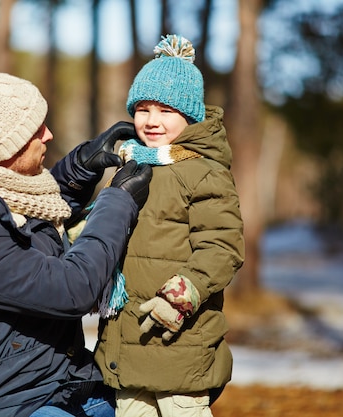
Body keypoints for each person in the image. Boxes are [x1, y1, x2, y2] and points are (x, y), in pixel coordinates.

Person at [0, 67, 152, 417]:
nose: (48, 135)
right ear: (6, 149)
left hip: (63, 384)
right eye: (36, 131)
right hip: (14, 403)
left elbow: (33, 219)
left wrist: (82, 167)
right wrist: (117, 202)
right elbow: (72, 287)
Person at [93, 35, 245, 417]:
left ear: (189, 116)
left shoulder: (203, 172)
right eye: (143, 109)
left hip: (179, 340)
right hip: (127, 340)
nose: (151, 121)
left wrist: (180, 296)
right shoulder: (131, 165)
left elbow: (222, 248)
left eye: (166, 110)